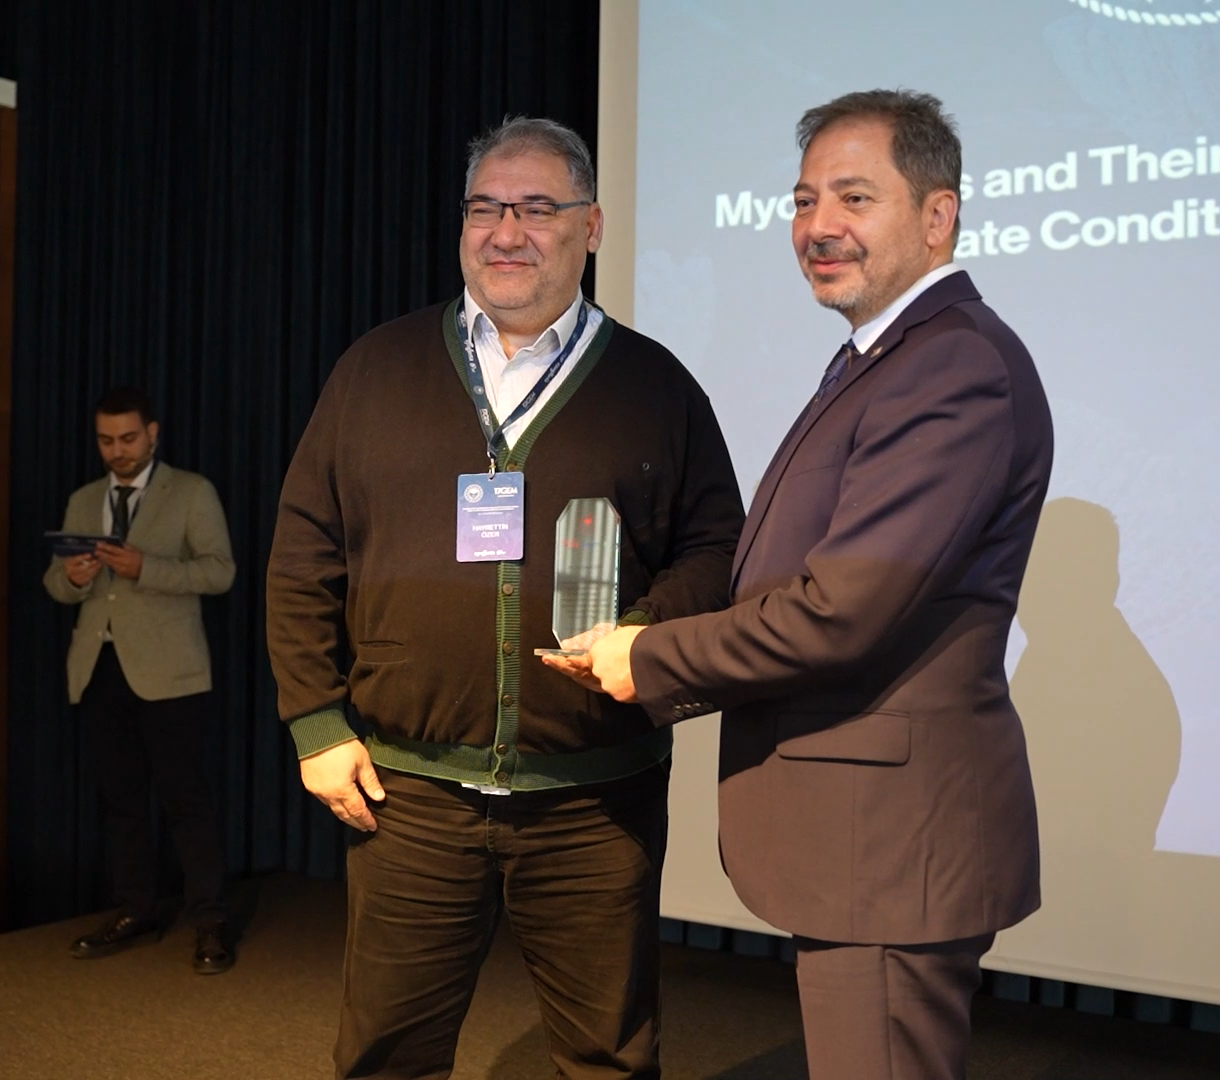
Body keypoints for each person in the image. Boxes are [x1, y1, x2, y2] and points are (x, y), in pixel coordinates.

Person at [551, 90, 1055, 1079]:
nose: (819, 226)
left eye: (855, 198)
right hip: (868, 842)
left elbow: (842, 610)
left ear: (939, 215)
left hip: (890, 845)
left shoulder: (952, 367)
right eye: (803, 200)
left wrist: (646, 656)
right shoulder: (884, 359)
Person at [266, 116, 743, 1079]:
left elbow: (717, 547)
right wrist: (315, 722)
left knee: (608, 1058)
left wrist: (646, 633)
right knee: (386, 1058)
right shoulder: (375, 370)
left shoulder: (657, 385)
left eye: (536, 208)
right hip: (407, 794)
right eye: (485, 207)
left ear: (591, 227)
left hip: (594, 798)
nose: (506, 231)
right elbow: (305, 550)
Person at [42, 386, 237, 974]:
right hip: (98, 668)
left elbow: (220, 572)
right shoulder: (84, 499)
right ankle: (135, 910)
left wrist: (144, 567)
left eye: (128, 438)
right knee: (120, 801)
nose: (117, 451)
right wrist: (74, 578)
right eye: (106, 440)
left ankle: (210, 923)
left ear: (152, 434)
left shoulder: (192, 491)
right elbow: (54, 584)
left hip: (170, 673)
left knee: (186, 801)